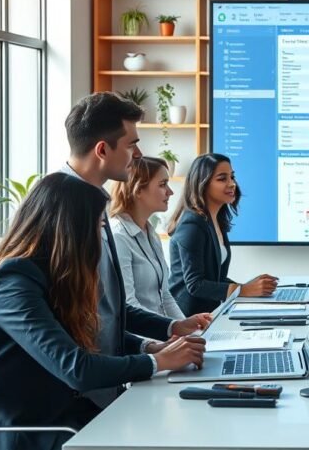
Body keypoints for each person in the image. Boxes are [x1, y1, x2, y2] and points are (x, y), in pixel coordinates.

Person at [0, 174, 205, 450]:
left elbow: (92, 333)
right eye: (98, 224)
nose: (100, 234)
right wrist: (160, 362)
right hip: (20, 432)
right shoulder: (12, 282)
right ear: (72, 229)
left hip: (60, 412)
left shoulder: (52, 274)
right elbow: (76, 368)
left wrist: (151, 348)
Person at [63, 92, 210, 408]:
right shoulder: (67, 213)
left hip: (109, 383)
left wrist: (167, 335)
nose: (138, 153)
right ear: (103, 149)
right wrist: (157, 355)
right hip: (81, 403)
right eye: (131, 144)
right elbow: (75, 350)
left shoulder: (95, 206)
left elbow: (108, 314)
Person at [168, 153, 278, 316]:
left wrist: (250, 288)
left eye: (232, 177)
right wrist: (243, 290)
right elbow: (196, 285)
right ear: (203, 184)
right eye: (222, 179)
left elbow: (215, 278)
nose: (232, 184)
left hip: (210, 313)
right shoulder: (191, 225)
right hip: (188, 319)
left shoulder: (215, 219)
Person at [109, 156, 184, 319]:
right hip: (144, 340)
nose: (170, 192)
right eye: (163, 184)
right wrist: (170, 330)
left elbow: (164, 296)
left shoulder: (152, 234)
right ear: (138, 190)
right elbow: (128, 305)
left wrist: (190, 331)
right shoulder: (118, 237)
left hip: (163, 335)